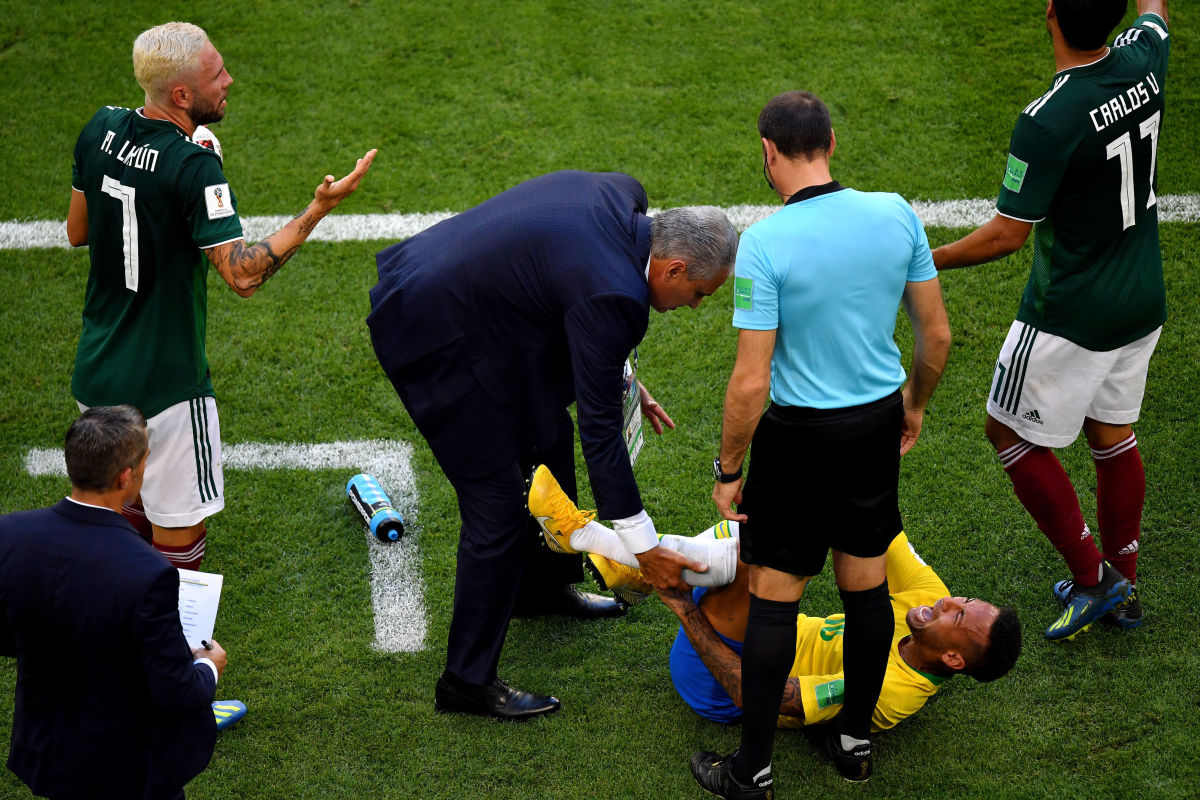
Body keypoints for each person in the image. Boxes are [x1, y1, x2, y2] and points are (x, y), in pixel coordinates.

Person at [367, 170, 738, 720]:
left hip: (471, 309)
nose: (694, 306)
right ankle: (465, 683)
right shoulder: (618, 292)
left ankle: (539, 590)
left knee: (546, 434)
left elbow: (578, 300)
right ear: (674, 267)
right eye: (697, 293)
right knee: (493, 509)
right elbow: (601, 434)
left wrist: (624, 377)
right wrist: (643, 546)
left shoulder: (624, 195)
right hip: (430, 333)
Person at [698, 91, 952, 796]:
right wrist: (914, 406)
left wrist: (728, 469)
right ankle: (854, 739)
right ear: (832, 142)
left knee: (777, 597)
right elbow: (935, 335)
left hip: (799, 437)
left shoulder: (766, 241)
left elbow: (751, 383)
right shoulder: (896, 212)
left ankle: (752, 769)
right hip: (873, 424)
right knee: (866, 587)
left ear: (768, 153)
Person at [67, 21, 375, 572]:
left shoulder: (99, 129)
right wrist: (318, 210)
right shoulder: (194, 164)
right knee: (179, 532)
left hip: (98, 368)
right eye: (216, 75)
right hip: (169, 383)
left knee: (125, 499)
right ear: (182, 95)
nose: (228, 80)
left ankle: (116, 603)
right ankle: (173, 643)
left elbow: (78, 230)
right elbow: (243, 275)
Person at [930, 0, 1169, 642]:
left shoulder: (1047, 119)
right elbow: (1156, 10)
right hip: (1142, 296)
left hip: (1071, 312)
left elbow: (1008, 235)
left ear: (1051, 14)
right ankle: (1125, 589)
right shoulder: (1147, 53)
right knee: (1112, 431)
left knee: (1006, 431)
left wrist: (927, 261)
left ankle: (1094, 580)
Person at [0, 406, 232, 800]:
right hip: (125, 766)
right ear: (127, 476)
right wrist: (209, 667)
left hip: (49, 747)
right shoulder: (150, 572)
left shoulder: (9, 533)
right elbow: (175, 691)